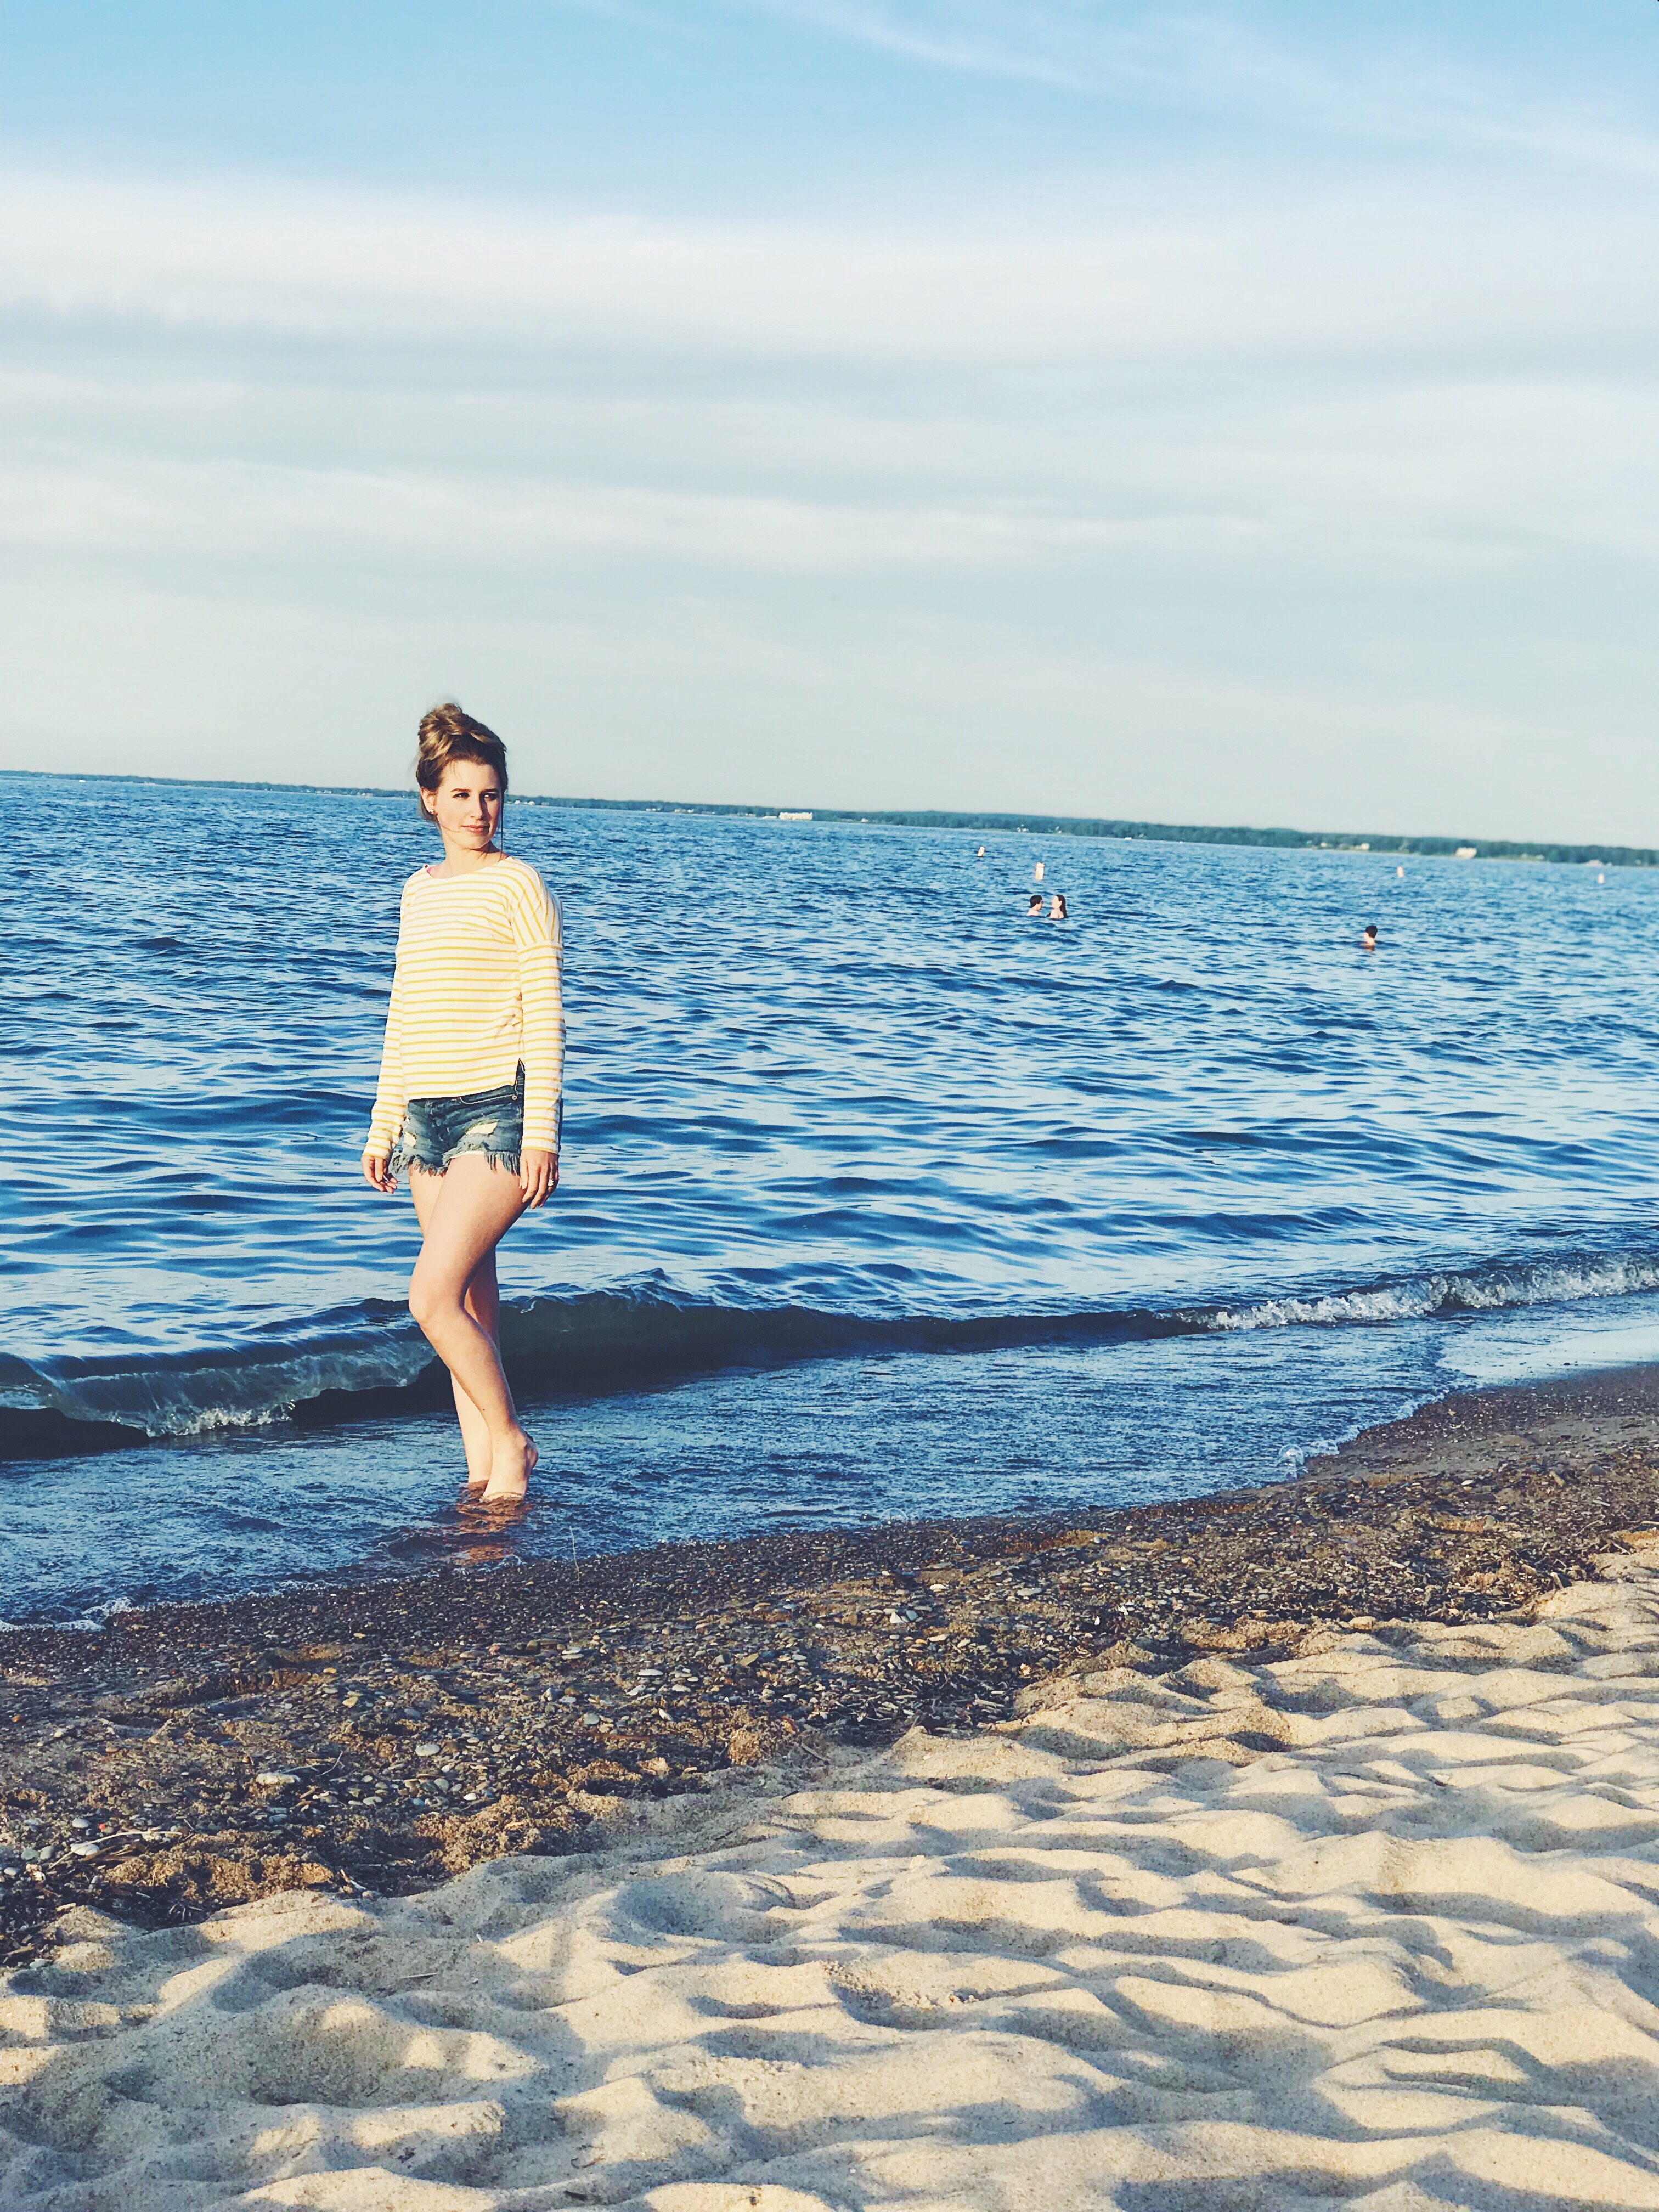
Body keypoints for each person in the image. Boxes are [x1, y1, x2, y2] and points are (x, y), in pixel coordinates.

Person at [362, 704, 564, 1508]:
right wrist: (383, 1125)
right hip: (425, 1121)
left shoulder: (519, 884)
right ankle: (487, 1478)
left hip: (497, 1115)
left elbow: (545, 1012)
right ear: (429, 799)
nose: (479, 810)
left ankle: (511, 1442)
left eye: (491, 794)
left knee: (430, 1297)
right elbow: (404, 1015)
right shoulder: (418, 892)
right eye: (462, 794)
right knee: (471, 1306)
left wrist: (542, 1132)